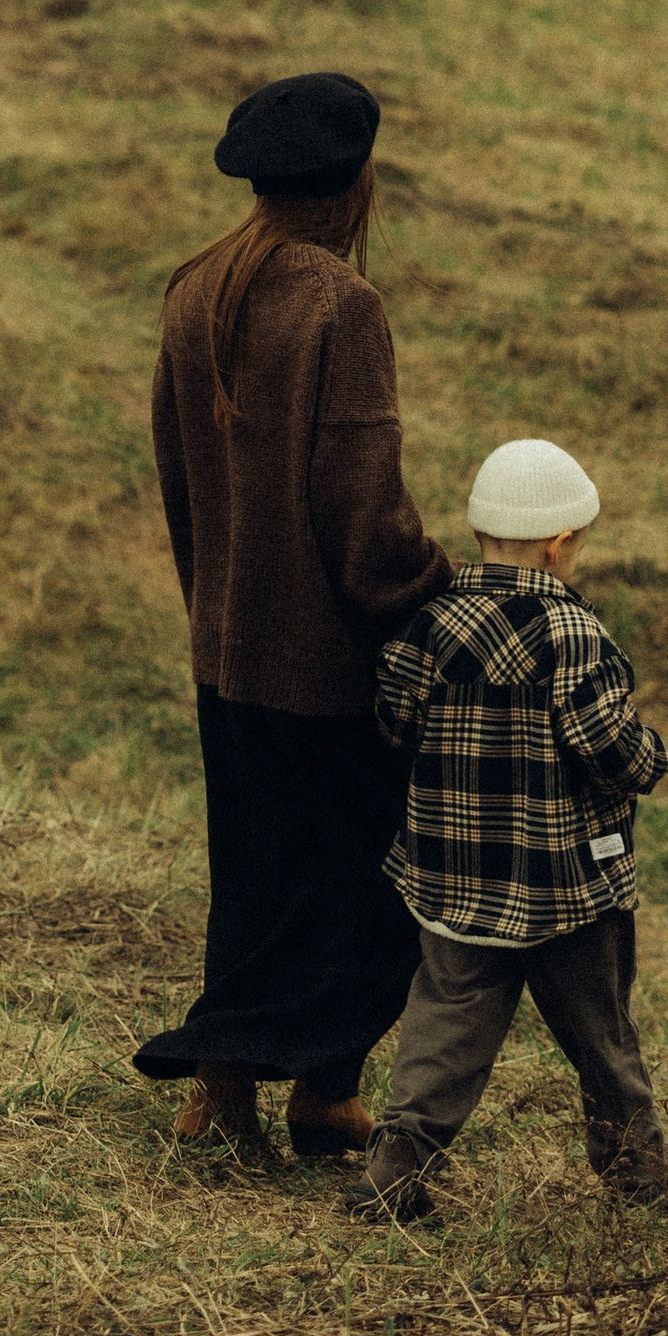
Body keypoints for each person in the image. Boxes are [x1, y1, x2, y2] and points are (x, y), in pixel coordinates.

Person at [133, 71, 453, 1160]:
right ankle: (239, 1076)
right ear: (357, 175)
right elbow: (362, 509)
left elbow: (180, 477)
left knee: (261, 878)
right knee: (375, 891)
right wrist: (434, 588)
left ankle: (297, 1101)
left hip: (225, 646)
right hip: (327, 659)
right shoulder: (338, 304)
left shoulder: (197, 286)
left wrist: (211, 603)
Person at [344, 436, 668, 1223]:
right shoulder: (573, 634)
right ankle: (636, 1161)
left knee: (447, 1012)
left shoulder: (433, 623)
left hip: (454, 875)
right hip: (567, 881)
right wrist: (653, 759)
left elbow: (393, 715)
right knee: (600, 1026)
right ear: (561, 542)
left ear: (478, 533)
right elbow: (605, 743)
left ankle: (398, 1161)